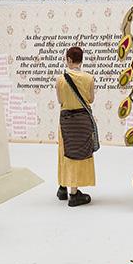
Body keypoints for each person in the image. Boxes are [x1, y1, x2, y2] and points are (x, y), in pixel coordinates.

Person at [55, 46, 96, 207]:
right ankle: (74, 193)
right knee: (78, 154)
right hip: (82, 120)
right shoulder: (89, 78)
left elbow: (60, 101)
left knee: (65, 152)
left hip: (66, 120)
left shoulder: (60, 79)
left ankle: (63, 187)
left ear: (69, 59)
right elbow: (90, 99)